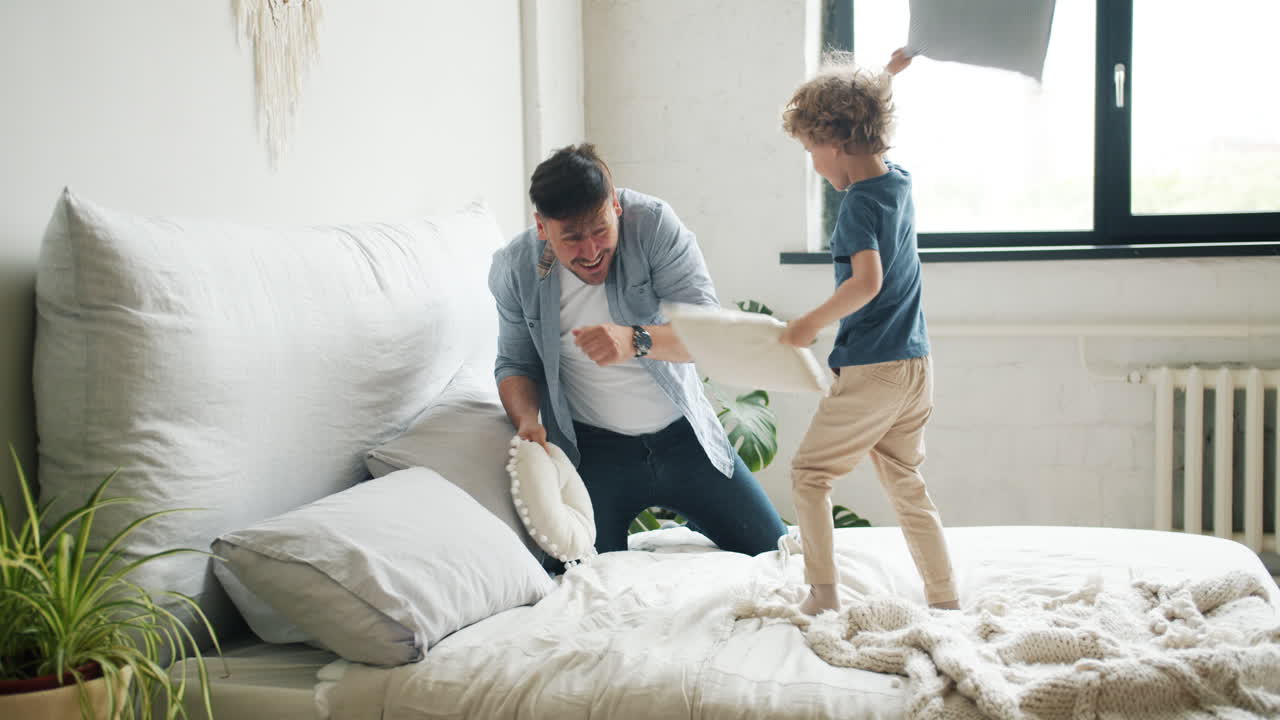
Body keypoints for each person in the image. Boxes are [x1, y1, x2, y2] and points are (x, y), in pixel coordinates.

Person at [489, 143, 786, 568]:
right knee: (577, 574)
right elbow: (516, 363)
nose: (590, 251)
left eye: (600, 230)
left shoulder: (654, 225)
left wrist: (635, 339)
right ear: (542, 228)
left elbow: (708, 335)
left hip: (685, 439)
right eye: (571, 237)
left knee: (775, 552)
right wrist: (526, 422)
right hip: (593, 451)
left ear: (616, 207)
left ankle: (682, 528)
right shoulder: (515, 268)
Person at [778, 49, 959, 614]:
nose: (813, 163)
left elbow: (867, 283)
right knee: (906, 484)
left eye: (811, 149)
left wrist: (808, 323)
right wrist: (888, 75)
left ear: (834, 142)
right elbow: (859, 112)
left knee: (809, 474)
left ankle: (823, 596)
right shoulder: (896, 184)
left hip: (875, 368)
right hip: (916, 367)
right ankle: (946, 599)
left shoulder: (857, 205)